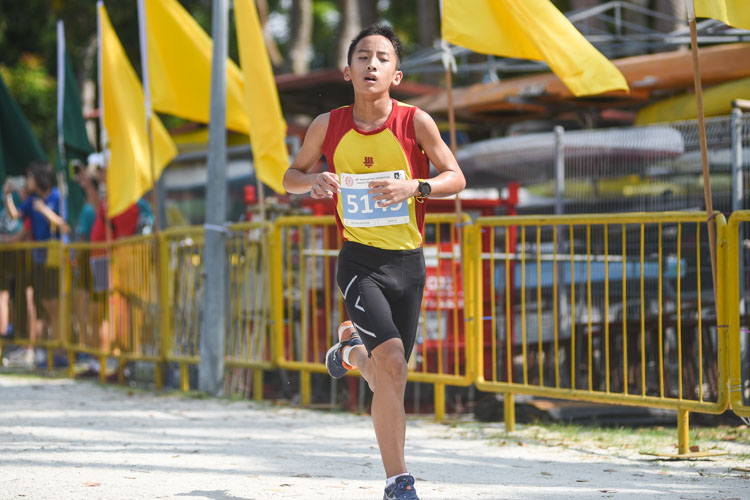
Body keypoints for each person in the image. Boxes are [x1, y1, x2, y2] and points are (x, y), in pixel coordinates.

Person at [283, 24, 465, 500]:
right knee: (391, 360)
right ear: (348, 70)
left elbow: (455, 176)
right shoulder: (328, 124)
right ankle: (398, 481)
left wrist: (415, 187)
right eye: (362, 57)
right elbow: (289, 176)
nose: (371, 65)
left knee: (393, 371)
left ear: (396, 74)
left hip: (408, 262)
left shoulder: (416, 122)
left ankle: (347, 353)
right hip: (360, 262)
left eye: (382, 58)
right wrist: (313, 181)